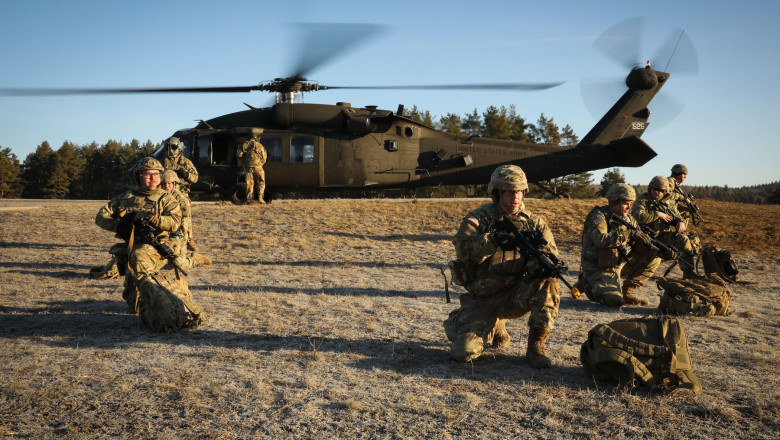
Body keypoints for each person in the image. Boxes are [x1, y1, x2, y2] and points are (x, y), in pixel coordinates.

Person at [443, 165, 561, 368]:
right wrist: (492, 240)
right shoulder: (479, 218)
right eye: (510, 192)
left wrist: (540, 260)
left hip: (515, 295)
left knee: (548, 282)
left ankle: (536, 348)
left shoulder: (535, 223)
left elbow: (550, 255)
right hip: (483, 298)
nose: (516, 197)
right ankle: (493, 326)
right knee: (463, 352)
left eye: (520, 192)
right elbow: (463, 252)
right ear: (498, 192)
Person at [95, 157, 184, 313]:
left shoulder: (167, 199)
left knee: (139, 259)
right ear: (138, 176)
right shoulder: (126, 197)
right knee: (134, 305)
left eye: (156, 174)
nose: (152, 178)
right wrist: (119, 226)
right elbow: (101, 216)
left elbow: (175, 223)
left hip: (158, 246)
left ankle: (162, 302)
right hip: (132, 246)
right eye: (147, 174)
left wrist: (152, 218)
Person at [577, 183, 658, 307]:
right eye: (626, 203)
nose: (629, 207)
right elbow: (601, 239)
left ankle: (627, 292)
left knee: (655, 258)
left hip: (619, 262)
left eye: (631, 203)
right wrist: (628, 234)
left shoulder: (629, 219)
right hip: (599, 266)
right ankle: (588, 283)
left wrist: (652, 248)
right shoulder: (598, 217)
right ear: (615, 202)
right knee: (613, 301)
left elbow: (637, 241)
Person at [633, 176, 699, 279]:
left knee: (684, 240)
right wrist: (658, 214)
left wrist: (680, 222)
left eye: (661, 190)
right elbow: (638, 216)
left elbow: (677, 215)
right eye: (655, 189)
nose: (658, 192)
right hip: (645, 238)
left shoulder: (667, 202)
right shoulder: (642, 200)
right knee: (644, 266)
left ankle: (688, 273)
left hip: (662, 236)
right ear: (650, 188)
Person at [160, 170, 211, 267]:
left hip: (176, 234)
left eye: (169, 184)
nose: (167, 187)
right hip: (162, 232)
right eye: (164, 184)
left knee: (177, 264)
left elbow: (186, 221)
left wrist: (188, 240)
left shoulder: (181, 200)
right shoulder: (158, 197)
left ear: (174, 184)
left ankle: (196, 259)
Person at [236, 132, 267, 203]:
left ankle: (249, 199)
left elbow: (239, 155)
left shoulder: (244, 145)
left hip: (248, 166)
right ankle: (260, 198)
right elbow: (264, 157)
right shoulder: (260, 145)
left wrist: (244, 160)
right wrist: (260, 164)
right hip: (258, 166)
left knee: (249, 182)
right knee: (261, 181)